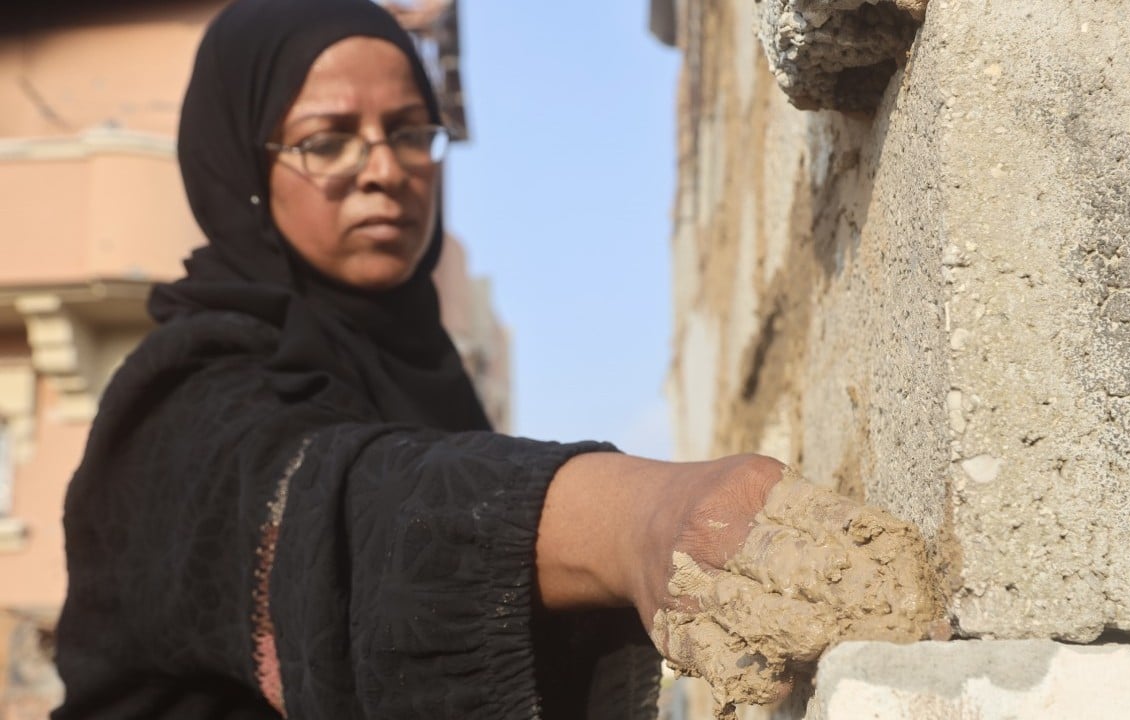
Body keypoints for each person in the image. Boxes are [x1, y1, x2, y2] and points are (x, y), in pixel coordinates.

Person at [54, 0, 935, 718]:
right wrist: (644, 517)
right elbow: (350, 512)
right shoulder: (177, 400)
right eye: (327, 140)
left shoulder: (418, 371)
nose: (384, 170)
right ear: (240, 166)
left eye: (409, 132)